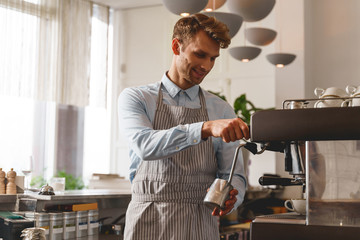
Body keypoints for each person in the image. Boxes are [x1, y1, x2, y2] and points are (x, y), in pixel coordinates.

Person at [118, 13, 250, 240]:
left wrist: (232, 198)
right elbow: (144, 145)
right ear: (176, 46)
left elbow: (233, 174)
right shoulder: (136, 98)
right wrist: (204, 128)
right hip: (147, 220)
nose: (206, 66)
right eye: (200, 54)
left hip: (200, 221)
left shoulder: (221, 109)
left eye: (213, 58)